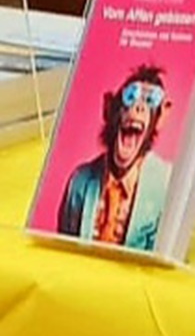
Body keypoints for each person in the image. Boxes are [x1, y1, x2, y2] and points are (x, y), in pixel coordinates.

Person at [57, 64, 173, 250]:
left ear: (158, 119)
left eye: (149, 100)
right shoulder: (80, 181)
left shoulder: (166, 186)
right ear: (109, 109)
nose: (138, 107)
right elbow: (63, 251)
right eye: (131, 97)